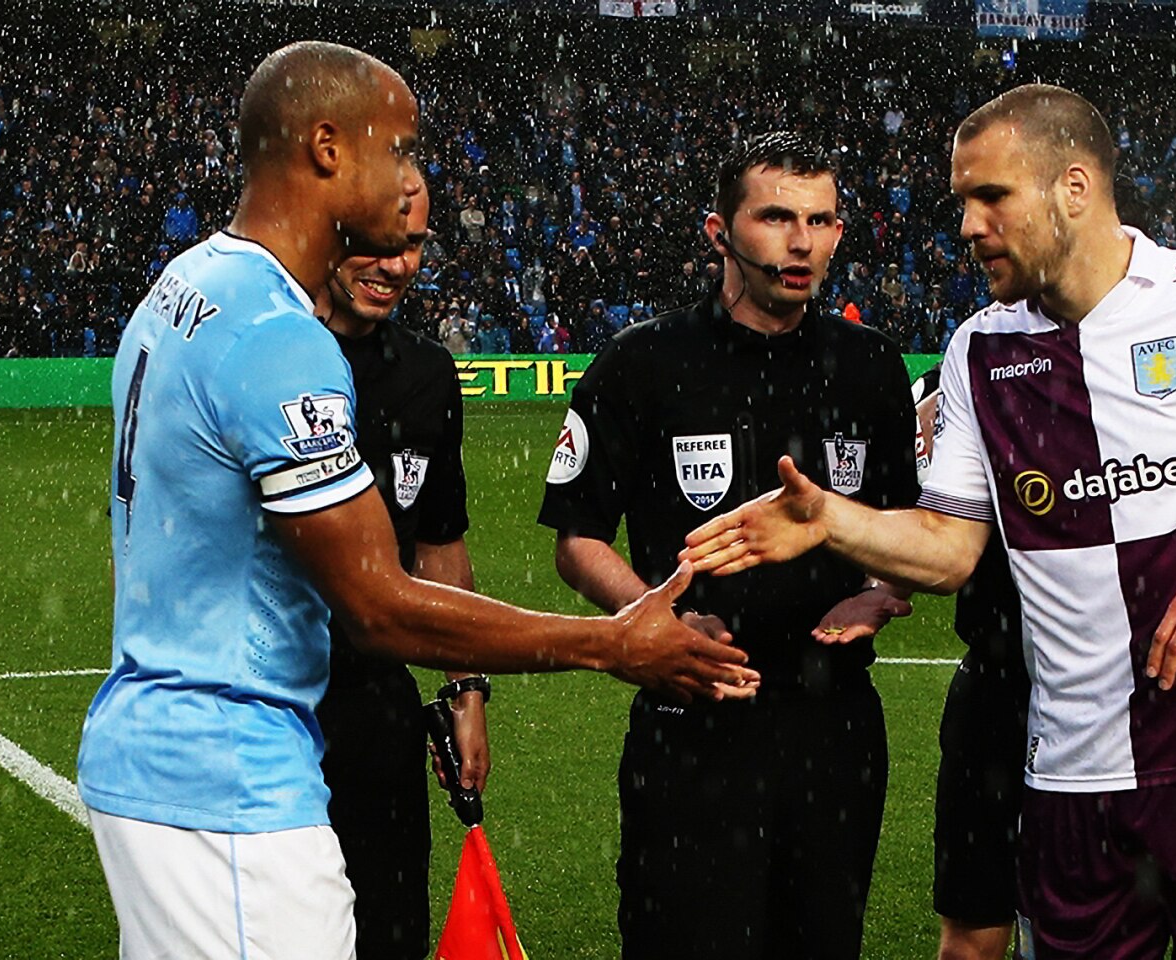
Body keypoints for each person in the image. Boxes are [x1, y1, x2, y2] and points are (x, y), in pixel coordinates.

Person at [684, 85, 1176, 960]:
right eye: (962, 200)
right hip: (1072, 781)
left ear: (1074, 188)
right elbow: (951, 550)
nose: (966, 224)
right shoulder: (980, 351)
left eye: (990, 196)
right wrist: (830, 520)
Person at [75, 42, 757, 960]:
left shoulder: (189, 282)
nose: (410, 179)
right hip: (228, 784)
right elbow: (378, 606)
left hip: (159, 754)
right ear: (326, 147)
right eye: (397, 148)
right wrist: (610, 642)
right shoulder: (278, 336)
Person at [537, 132, 919, 960]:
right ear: (720, 231)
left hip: (834, 727)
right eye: (776, 216)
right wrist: (649, 619)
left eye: (820, 219)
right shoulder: (642, 362)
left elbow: (909, 533)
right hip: (693, 717)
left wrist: (882, 592)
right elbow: (578, 538)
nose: (801, 240)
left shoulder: (872, 369)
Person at [312, 175, 485, 960]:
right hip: (264, 705)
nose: (395, 264)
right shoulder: (268, 353)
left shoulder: (426, 375)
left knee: (390, 931)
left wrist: (466, 690)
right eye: (378, 243)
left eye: (412, 246)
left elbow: (439, 547)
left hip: (377, 704)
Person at [913, 366, 1032, 960]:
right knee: (971, 929)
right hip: (994, 684)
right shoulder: (969, 363)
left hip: (1103, 692)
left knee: (1095, 924)